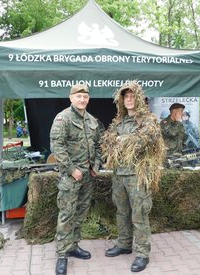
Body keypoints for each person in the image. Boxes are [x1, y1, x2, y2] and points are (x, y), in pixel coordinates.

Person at [101, 81, 165, 273]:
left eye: (131, 96)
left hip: (138, 175)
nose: (128, 99)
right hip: (119, 174)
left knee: (139, 214)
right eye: (125, 97)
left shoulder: (148, 121)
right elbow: (107, 140)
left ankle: (142, 253)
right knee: (122, 212)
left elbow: (143, 140)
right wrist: (118, 141)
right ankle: (124, 244)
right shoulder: (119, 122)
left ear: (138, 98)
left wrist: (120, 141)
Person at [50, 84, 102, 275]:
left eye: (85, 97)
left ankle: (73, 246)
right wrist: (72, 170)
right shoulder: (63, 118)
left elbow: (99, 145)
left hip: (87, 176)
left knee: (80, 212)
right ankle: (62, 254)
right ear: (71, 98)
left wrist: (95, 166)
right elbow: (58, 147)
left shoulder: (92, 120)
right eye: (78, 96)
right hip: (71, 177)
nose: (82, 100)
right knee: (67, 214)